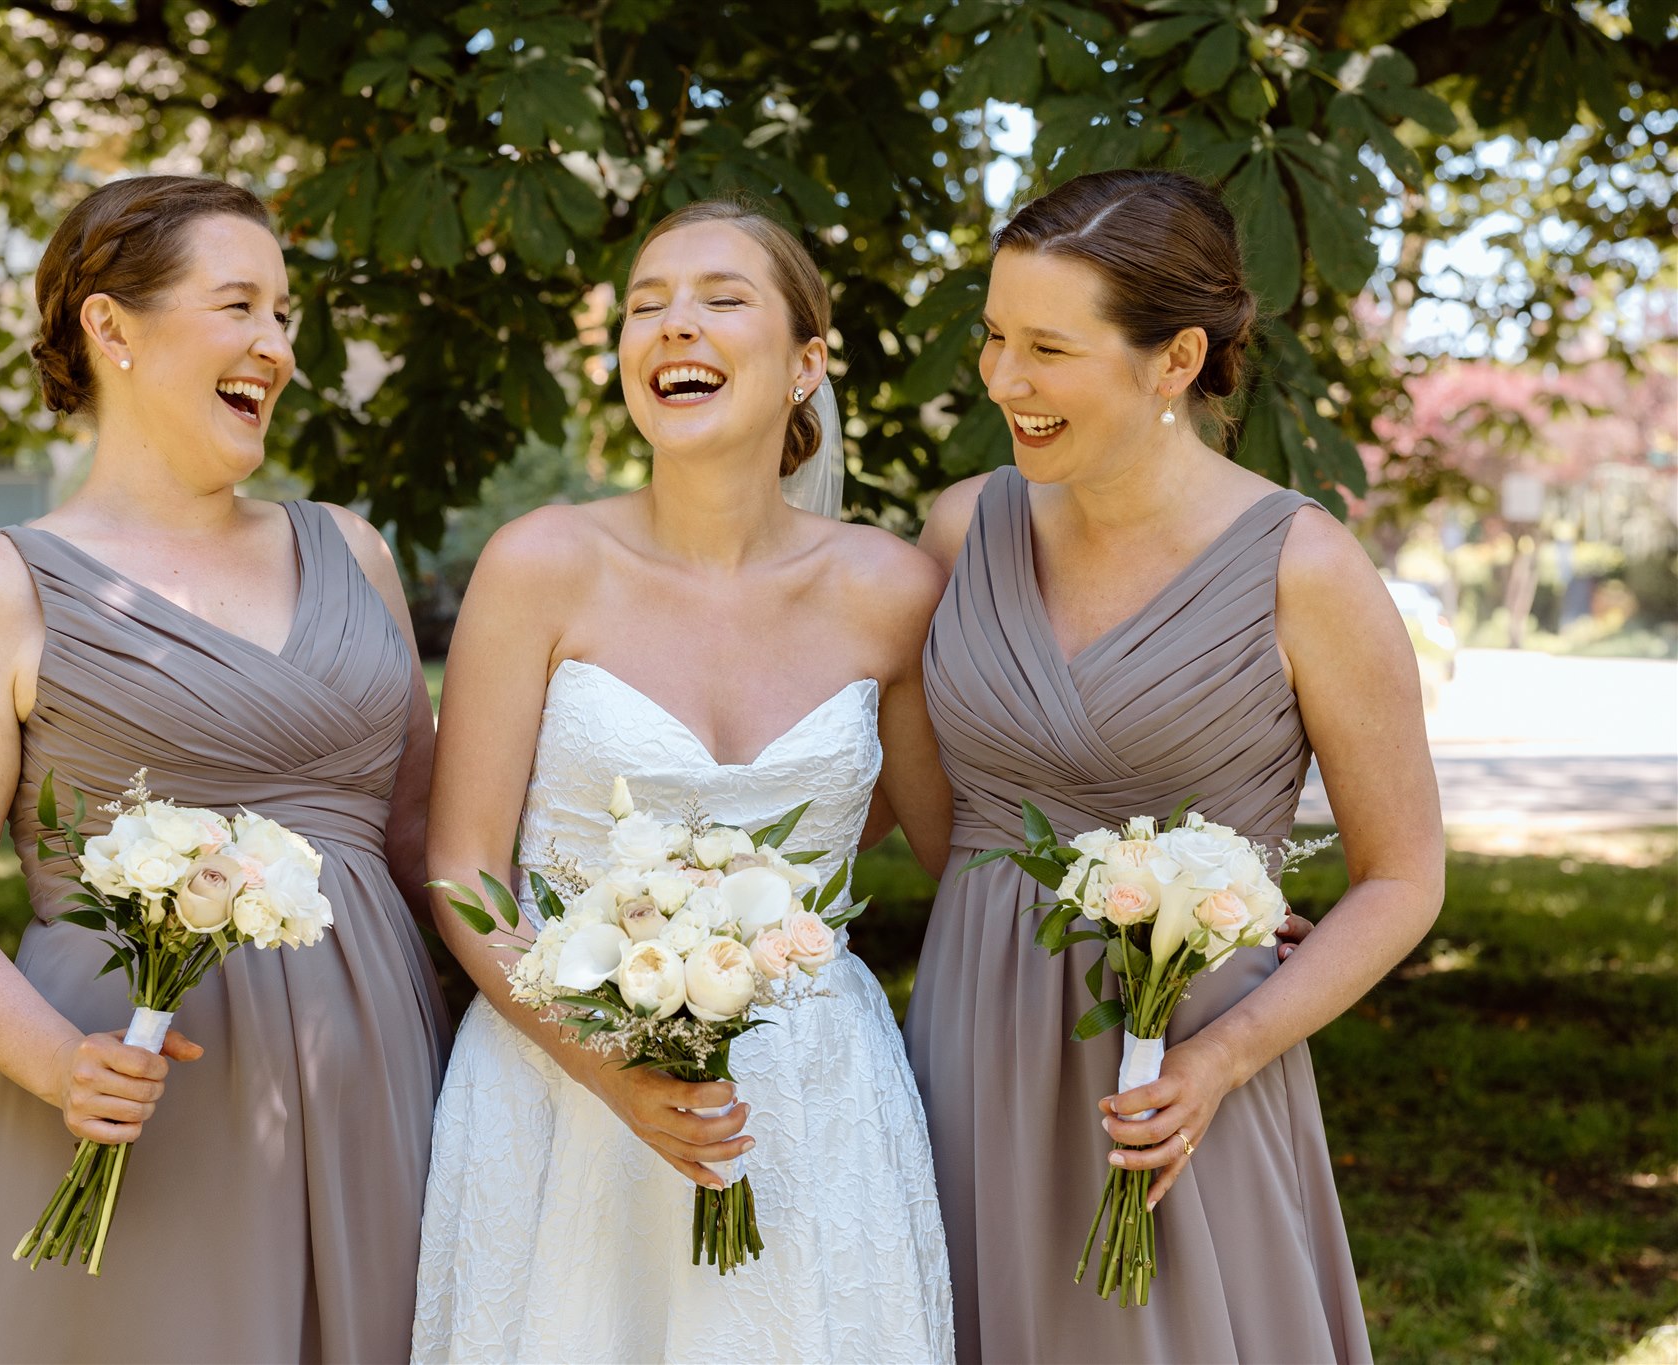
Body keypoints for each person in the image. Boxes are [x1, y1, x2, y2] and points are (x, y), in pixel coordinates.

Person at [0, 174, 451, 1364]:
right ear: (111, 326)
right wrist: (56, 1063)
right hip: (124, 1096)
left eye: (286, 315)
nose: (275, 345)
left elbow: (428, 843)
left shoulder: (352, 553)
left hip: (369, 1078)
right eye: (238, 304)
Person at [910, 167, 1443, 1362]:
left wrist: (1217, 1056)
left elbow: (1403, 877)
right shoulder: (958, 532)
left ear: (1175, 359)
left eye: (1047, 347)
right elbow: (915, 804)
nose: (1001, 379)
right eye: (993, 336)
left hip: (1184, 1069)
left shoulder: (1301, 569)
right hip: (969, 1036)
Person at [411, 199, 956, 1363]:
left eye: (719, 299)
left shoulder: (892, 592)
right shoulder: (541, 565)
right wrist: (601, 1062)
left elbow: (966, 859)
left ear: (807, 363)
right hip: (557, 1092)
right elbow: (462, 869)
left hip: (808, 1096)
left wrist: (1182, 913)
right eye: (645, 307)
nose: (673, 328)